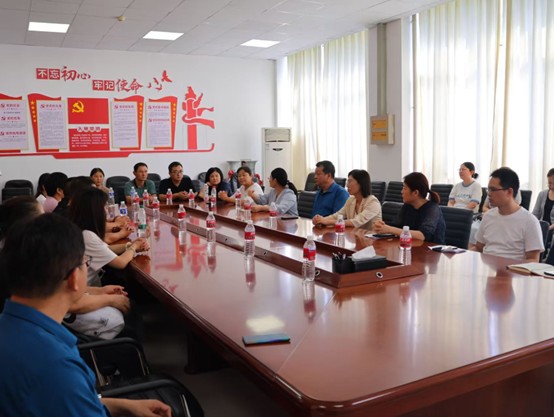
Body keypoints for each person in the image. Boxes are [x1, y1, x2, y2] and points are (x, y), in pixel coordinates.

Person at [0, 214, 171, 417]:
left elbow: (62, 400)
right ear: (74, 278)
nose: (87, 266)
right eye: (85, 262)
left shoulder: (13, 328)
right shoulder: (57, 366)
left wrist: (124, 405)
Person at [70, 187, 149, 288]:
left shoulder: (80, 229)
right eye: (104, 207)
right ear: (95, 211)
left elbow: (106, 248)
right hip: (87, 289)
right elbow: (121, 262)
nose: (106, 211)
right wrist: (134, 247)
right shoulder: (87, 236)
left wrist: (131, 245)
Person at [473, 167, 544, 262]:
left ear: (509, 192)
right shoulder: (488, 216)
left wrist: (508, 269)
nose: (489, 194)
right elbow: (478, 248)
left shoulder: (529, 221)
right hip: (487, 268)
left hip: (513, 270)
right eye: (488, 189)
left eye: (493, 190)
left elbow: (533, 260)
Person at [373, 172, 446, 243]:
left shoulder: (433, 208)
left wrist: (389, 229)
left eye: (404, 188)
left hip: (430, 249)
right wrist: (382, 226)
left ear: (415, 193)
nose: (401, 192)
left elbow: (423, 235)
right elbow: (397, 226)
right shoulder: (408, 205)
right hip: (410, 246)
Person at [312, 169, 381, 230]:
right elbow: (337, 216)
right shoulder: (351, 200)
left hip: (373, 239)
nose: (347, 185)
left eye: (350, 182)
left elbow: (356, 221)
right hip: (356, 236)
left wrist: (327, 221)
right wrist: (320, 219)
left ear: (360, 183)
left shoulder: (373, 202)